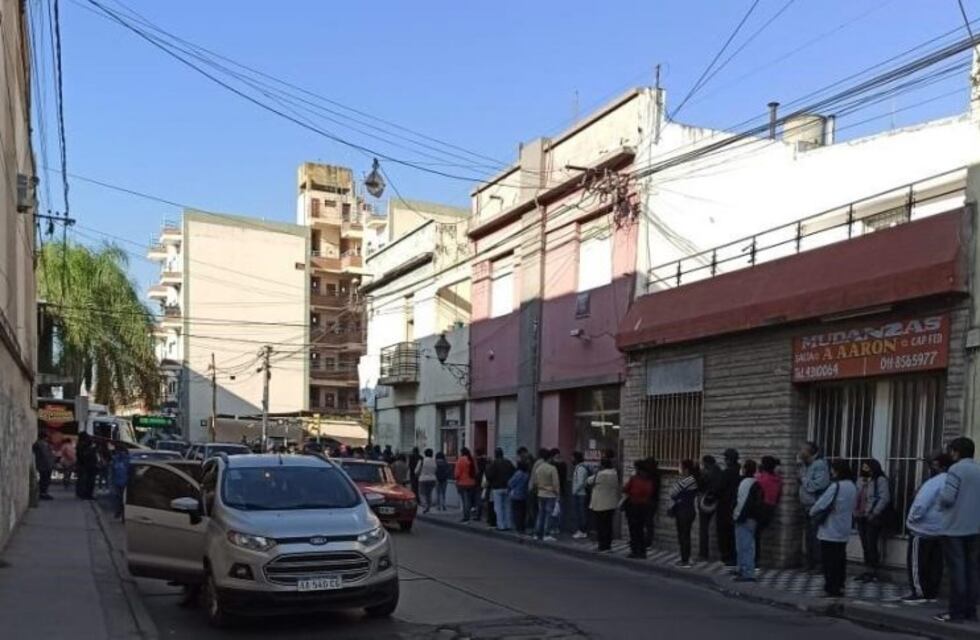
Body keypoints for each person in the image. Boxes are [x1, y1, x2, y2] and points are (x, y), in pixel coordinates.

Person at [936, 437, 980, 624]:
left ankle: (955, 612)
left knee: (957, 571)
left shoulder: (956, 470)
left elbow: (947, 498)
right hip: (975, 528)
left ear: (957, 452)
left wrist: (939, 499)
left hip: (954, 528)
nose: (951, 454)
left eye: (952, 450)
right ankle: (970, 611)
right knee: (973, 570)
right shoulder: (979, 469)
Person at [902, 452, 950, 604]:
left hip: (922, 529)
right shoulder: (953, 481)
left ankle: (919, 592)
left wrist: (911, 520)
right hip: (941, 529)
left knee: (917, 563)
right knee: (936, 563)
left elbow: (921, 504)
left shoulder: (933, 482)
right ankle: (931, 593)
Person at [809, 459, 857, 598]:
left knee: (829, 559)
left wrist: (812, 512)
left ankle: (831, 587)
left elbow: (822, 503)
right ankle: (840, 585)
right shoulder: (852, 486)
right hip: (845, 527)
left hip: (830, 527)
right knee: (840, 558)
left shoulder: (836, 486)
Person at [854, 458, 892, 582]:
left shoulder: (880, 480)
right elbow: (856, 494)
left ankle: (874, 571)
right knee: (865, 544)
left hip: (872, 516)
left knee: (871, 544)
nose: (865, 470)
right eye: (863, 467)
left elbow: (884, 498)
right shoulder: (861, 480)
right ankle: (867, 570)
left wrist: (874, 512)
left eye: (867, 467)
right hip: (860, 515)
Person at [799, 441, 831, 572]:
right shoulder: (806, 464)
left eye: (803, 450)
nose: (800, 452)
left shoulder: (819, 465)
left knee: (816, 536)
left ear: (810, 451)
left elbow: (818, 485)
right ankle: (809, 562)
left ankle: (819, 563)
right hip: (806, 505)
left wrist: (803, 480)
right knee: (808, 536)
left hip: (815, 505)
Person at [733, 459, 764, 582]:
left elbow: (743, 502)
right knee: (747, 546)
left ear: (745, 469)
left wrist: (739, 517)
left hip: (745, 518)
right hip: (753, 518)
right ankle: (742, 569)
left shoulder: (745, 483)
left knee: (744, 546)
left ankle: (747, 572)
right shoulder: (756, 483)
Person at [669, 459, 699, 567]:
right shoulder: (691, 479)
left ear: (686, 469)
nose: (679, 469)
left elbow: (672, 492)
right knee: (685, 535)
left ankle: (685, 560)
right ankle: (686, 558)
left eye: (680, 466)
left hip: (684, 511)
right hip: (688, 510)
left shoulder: (688, 480)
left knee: (683, 536)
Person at [623, 460, 655, 559]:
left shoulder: (635, 479)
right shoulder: (649, 480)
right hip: (644, 506)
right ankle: (642, 552)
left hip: (634, 506)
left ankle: (635, 551)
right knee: (640, 530)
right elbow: (650, 492)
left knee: (634, 530)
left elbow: (626, 489)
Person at [588, 456, 620, 552]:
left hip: (600, 504)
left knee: (601, 526)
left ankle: (602, 546)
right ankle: (608, 545)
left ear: (602, 465)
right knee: (608, 525)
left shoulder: (600, 474)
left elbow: (589, 481)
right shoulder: (615, 474)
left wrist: (596, 472)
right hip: (611, 503)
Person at [754, 456, 782, 564]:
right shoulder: (778, 480)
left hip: (761, 507)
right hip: (771, 508)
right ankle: (756, 560)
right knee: (757, 535)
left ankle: (754, 561)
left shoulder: (761, 478)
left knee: (753, 536)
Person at [530, 450, 561, 541]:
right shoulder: (552, 468)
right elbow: (556, 483)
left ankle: (537, 533)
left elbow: (535, 482)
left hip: (540, 493)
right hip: (550, 494)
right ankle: (546, 534)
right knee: (549, 514)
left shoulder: (539, 468)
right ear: (550, 458)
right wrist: (557, 493)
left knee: (540, 514)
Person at [717, 449, 741, 566]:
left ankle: (727, 556)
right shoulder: (740, 472)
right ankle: (733, 556)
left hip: (725, 506)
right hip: (737, 505)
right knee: (733, 533)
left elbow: (719, 488)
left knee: (724, 532)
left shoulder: (726, 473)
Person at [697, 455, 721, 562]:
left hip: (705, 502)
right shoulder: (719, 472)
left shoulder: (706, 473)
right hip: (717, 502)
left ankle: (703, 555)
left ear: (706, 463)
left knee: (703, 529)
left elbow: (700, 485)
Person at [486, 448, 515, 531]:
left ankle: (501, 525)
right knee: (507, 506)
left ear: (495, 454)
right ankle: (508, 524)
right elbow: (514, 472)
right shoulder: (508, 462)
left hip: (497, 488)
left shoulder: (494, 464)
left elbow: (489, 475)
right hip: (507, 487)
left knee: (498, 507)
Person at [454, 447, 477, 522]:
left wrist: (456, 480)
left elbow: (457, 473)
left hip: (462, 483)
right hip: (472, 482)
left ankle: (466, 516)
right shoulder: (472, 459)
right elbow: (476, 471)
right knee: (469, 500)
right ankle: (470, 514)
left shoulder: (460, 460)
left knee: (465, 501)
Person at [571, 452, 590, 539]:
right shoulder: (579, 468)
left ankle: (582, 531)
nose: (571, 460)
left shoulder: (581, 469)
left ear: (576, 458)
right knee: (579, 513)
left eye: (572, 458)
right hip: (579, 493)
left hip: (580, 494)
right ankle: (581, 530)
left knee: (581, 513)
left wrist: (574, 491)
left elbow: (581, 482)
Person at [509, 461, 530, 535]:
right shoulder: (527, 475)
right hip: (524, 495)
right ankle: (522, 527)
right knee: (523, 512)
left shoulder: (518, 474)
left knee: (516, 512)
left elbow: (510, 483)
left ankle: (518, 527)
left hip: (516, 495)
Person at [643, 457, 660, 549]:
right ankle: (647, 540)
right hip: (652, 500)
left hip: (649, 500)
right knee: (648, 521)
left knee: (648, 522)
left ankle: (648, 541)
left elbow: (651, 489)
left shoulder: (651, 475)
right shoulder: (655, 474)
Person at [75, 432, 98, 500]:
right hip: (86, 466)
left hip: (85, 465)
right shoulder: (82, 445)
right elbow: (84, 455)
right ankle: (86, 494)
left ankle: (84, 494)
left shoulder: (82, 445)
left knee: (85, 480)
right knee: (87, 481)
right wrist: (93, 449)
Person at [33, 431, 55, 501]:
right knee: (45, 479)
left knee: (44, 479)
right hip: (45, 465)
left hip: (42, 464)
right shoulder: (42, 444)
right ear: (44, 437)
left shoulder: (37, 444)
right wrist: (52, 461)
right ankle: (43, 493)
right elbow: (46, 455)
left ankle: (43, 493)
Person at [110, 445, 130, 519]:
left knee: (123, 499)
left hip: (125, 482)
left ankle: (121, 514)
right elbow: (112, 471)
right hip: (118, 482)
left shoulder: (127, 460)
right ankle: (119, 512)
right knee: (119, 498)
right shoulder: (116, 459)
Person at [416, 448, 438, 513]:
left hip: (423, 479)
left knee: (421, 494)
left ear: (425, 454)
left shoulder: (422, 461)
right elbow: (436, 470)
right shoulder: (434, 461)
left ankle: (425, 506)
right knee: (429, 494)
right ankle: (428, 506)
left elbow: (416, 471)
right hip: (432, 479)